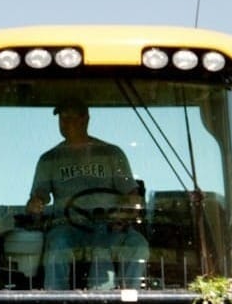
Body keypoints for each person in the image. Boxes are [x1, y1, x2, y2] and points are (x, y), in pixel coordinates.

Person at [25, 101, 149, 289]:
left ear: (85, 119)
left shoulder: (111, 154)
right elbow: (39, 197)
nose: (65, 123)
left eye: (71, 117)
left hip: (109, 227)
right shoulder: (49, 159)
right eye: (62, 118)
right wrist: (35, 203)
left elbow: (132, 196)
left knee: (137, 245)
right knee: (57, 246)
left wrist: (123, 214)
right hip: (68, 228)